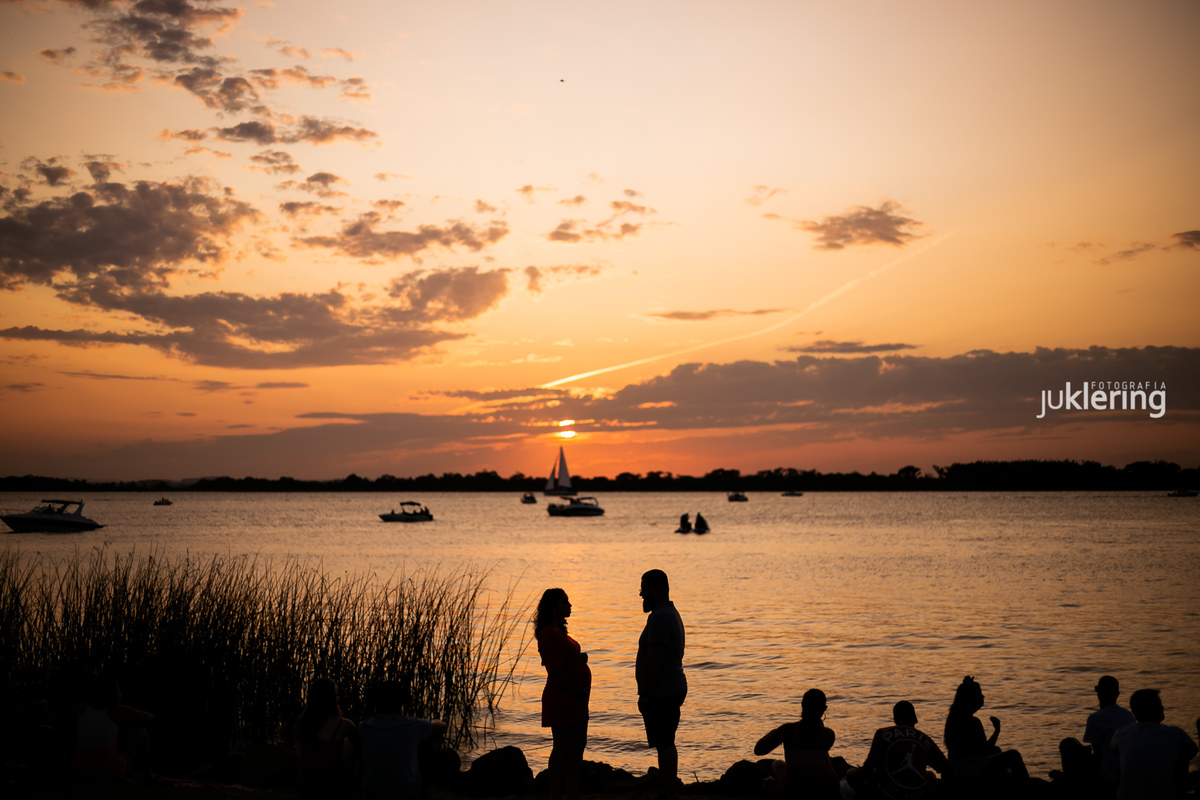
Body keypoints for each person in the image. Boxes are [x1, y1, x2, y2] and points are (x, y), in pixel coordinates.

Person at [535, 588, 592, 800]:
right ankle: (556, 794)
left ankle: (573, 793)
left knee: (577, 746)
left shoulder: (558, 632)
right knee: (562, 747)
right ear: (553, 607)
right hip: (563, 696)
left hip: (576, 697)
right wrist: (576, 690)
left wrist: (578, 660)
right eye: (565, 602)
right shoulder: (549, 633)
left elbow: (564, 660)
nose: (569, 605)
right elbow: (555, 669)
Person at [637, 569, 687, 800]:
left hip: (663, 690)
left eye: (644, 588)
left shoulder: (659, 618)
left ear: (655, 590)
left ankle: (668, 792)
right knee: (666, 741)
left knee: (665, 743)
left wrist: (644, 694)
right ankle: (668, 789)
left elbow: (654, 660)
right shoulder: (669, 613)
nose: (641, 594)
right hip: (671, 686)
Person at [359, 680, 448, 800]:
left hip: (370, 792)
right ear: (401, 702)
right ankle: (428, 784)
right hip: (408, 792)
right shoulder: (413, 725)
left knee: (353, 743)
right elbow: (442, 727)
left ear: (376, 702)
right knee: (434, 735)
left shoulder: (364, 727)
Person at [1109, 688, 1198, 800]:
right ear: (1154, 709)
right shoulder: (1175, 733)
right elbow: (1193, 751)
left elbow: (1114, 751)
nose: (1162, 707)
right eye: (1159, 704)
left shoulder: (1121, 733)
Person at [753, 688, 839, 800]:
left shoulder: (788, 729)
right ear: (824, 709)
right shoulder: (829, 734)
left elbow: (759, 750)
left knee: (777, 764)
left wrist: (775, 731)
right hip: (820, 787)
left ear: (802, 705)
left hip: (793, 788)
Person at [852, 700, 947, 800]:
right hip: (919, 794)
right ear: (915, 719)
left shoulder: (882, 733)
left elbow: (870, 765)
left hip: (887, 793)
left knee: (852, 774)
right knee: (931, 775)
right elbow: (945, 767)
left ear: (895, 719)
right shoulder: (924, 738)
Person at [1059, 675, 1136, 795]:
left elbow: (1098, 753)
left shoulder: (1095, 718)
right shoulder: (1128, 715)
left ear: (1099, 693)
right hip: (1126, 771)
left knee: (1068, 744)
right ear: (1117, 694)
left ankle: (1070, 786)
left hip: (1108, 775)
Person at [943, 676, 1028, 785]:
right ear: (970, 698)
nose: (983, 696)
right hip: (968, 771)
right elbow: (984, 751)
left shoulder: (954, 718)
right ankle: (1026, 784)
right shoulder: (972, 722)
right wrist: (997, 731)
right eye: (979, 693)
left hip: (957, 768)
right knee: (1013, 755)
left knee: (996, 750)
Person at [73, 674, 154, 779]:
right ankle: (148, 774)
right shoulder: (118, 711)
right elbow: (150, 718)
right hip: (109, 768)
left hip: (81, 767)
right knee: (141, 732)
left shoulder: (81, 709)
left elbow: (59, 723)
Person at [296, 677, 357, 798]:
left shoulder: (302, 723)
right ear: (333, 698)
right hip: (333, 785)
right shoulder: (345, 725)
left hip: (306, 785)